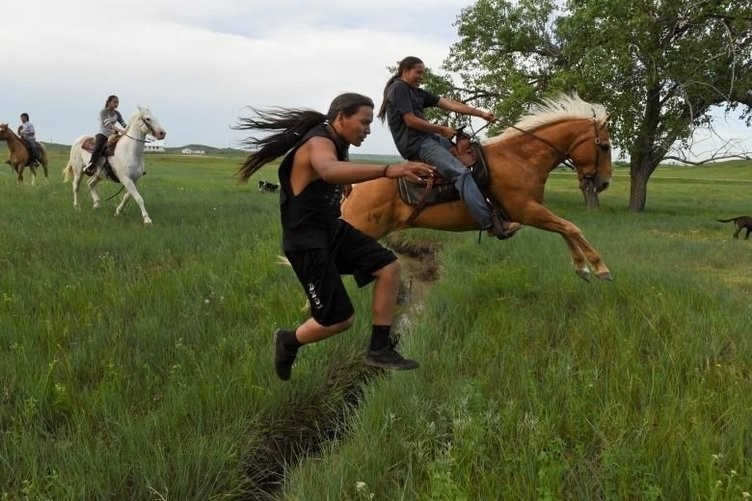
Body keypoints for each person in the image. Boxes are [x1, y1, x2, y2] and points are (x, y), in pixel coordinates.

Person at [236, 92, 436, 381]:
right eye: (364, 122)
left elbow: (329, 174)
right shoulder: (319, 141)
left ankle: (379, 349)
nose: (367, 130)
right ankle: (288, 341)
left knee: (389, 267)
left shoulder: (338, 141)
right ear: (341, 117)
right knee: (340, 320)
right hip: (307, 242)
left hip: (333, 230)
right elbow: (328, 169)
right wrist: (390, 169)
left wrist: (342, 185)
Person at [378, 56, 521, 239]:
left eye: (423, 73)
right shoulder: (398, 88)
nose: (421, 76)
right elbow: (411, 121)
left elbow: (449, 104)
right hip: (418, 145)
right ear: (405, 71)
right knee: (461, 173)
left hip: (430, 138)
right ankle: (490, 223)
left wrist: (481, 114)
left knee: (473, 157)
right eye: (418, 72)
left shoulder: (418, 92)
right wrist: (441, 130)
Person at [84, 95, 127, 176]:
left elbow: (123, 124)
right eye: (114, 102)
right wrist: (121, 130)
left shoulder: (117, 113)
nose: (116, 104)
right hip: (102, 134)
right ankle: (91, 165)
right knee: (98, 147)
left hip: (112, 135)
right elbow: (109, 125)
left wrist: (129, 129)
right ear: (109, 102)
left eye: (117, 102)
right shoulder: (103, 112)